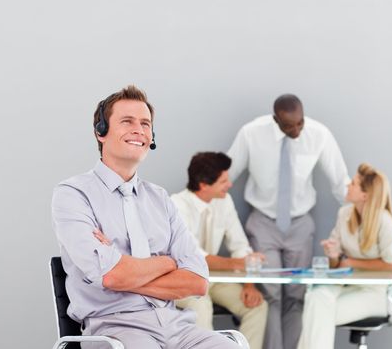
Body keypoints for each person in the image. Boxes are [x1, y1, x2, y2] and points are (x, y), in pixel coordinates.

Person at [51, 85, 240, 349]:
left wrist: (126, 269)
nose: (139, 130)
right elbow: (113, 277)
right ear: (101, 131)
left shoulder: (160, 199)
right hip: (115, 329)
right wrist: (167, 262)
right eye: (127, 121)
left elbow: (197, 282)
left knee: (228, 346)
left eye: (145, 123)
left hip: (175, 326)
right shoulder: (73, 194)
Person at [227, 94, 350, 349]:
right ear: (276, 120)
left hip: (300, 224)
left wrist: (361, 213)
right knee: (270, 294)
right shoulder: (251, 133)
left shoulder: (319, 134)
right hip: (263, 223)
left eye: (300, 123)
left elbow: (341, 183)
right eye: (288, 126)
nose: (296, 130)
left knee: (296, 295)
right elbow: (225, 175)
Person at [297, 163, 392, 349]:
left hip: (373, 293)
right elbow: (336, 263)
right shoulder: (344, 214)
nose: (347, 186)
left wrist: (350, 261)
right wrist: (333, 255)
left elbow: (390, 265)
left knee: (318, 313)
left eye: (353, 183)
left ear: (365, 194)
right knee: (315, 296)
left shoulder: (385, 222)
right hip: (345, 285)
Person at [171, 152, 268, 349]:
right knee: (200, 305)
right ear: (204, 185)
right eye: (224, 181)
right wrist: (239, 264)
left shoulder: (225, 201)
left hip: (214, 279)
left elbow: (240, 246)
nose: (230, 184)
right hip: (185, 280)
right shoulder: (176, 205)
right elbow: (194, 257)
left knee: (258, 306)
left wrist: (249, 285)